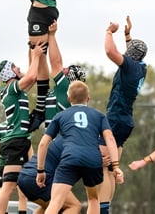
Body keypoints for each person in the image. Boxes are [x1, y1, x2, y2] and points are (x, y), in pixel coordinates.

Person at [36, 81, 124, 214]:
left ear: (68, 99)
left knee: (56, 201)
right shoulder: (99, 116)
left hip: (70, 158)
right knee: (94, 199)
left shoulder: (60, 116)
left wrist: (40, 170)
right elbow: (110, 139)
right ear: (88, 98)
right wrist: (116, 166)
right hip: (93, 161)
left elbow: (43, 144)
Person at [98, 15, 148, 213]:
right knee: (111, 168)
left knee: (102, 165)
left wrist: (109, 32)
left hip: (116, 118)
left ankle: (102, 209)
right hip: (124, 120)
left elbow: (111, 51)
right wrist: (128, 35)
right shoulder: (141, 67)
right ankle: (106, 208)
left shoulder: (129, 66)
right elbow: (132, 53)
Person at [0, 42, 46, 214]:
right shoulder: (11, 88)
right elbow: (30, 78)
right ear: (9, 72)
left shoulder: (16, 90)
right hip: (15, 141)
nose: (18, 67)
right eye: (14, 66)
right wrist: (36, 55)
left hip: (20, 141)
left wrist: (31, 50)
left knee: (17, 185)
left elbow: (33, 75)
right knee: (7, 188)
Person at [29, 20, 86, 131]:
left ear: (71, 78)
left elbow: (56, 63)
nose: (64, 69)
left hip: (59, 142)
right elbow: (38, 73)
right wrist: (34, 49)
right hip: (54, 142)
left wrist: (52, 35)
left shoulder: (66, 88)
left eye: (68, 69)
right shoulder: (59, 92)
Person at [17, 135, 82, 214]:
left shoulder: (64, 133)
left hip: (24, 176)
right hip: (39, 178)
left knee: (49, 207)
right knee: (73, 206)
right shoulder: (82, 140)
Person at [0, 121, 33, 214]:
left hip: (22, 165)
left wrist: (32, 166)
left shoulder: (23, 127)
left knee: (23, 195)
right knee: (4, 192)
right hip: (3, 164)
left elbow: (29, 146)